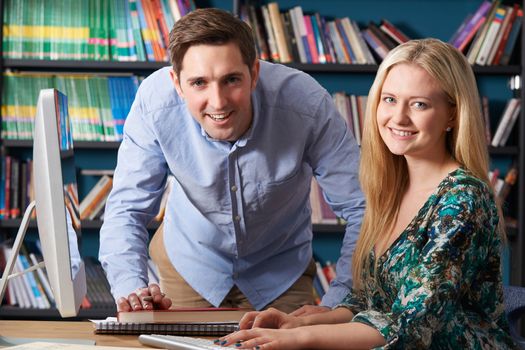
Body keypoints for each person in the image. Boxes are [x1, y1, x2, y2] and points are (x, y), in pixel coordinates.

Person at [220, 38, 518, 349]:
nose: (398, 117)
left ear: (453, 114)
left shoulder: (463, 199)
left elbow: (410, 325)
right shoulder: (391, 188)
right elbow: (371, 301)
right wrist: (302, 321)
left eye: (419, 104)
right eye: (389, 99)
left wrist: (298, 338)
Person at [98, 8, 365, 314]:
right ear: (176, 82)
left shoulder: (306, 104)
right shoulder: (154, 104)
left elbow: (363, 206)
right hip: (190, 266)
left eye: (231, 80)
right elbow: (127, 208)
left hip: (279, 272)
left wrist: (338, 303)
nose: (218, 102)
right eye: (199, 83)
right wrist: (131, 287)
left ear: (254, 73)